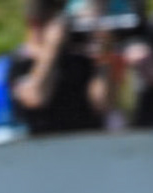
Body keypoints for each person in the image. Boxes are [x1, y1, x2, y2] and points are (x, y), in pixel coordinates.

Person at [10, 0, 117, 135]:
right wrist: (52, 48)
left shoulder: (78, 60)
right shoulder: (20, 62)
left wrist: (104, 58)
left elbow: (102, 104)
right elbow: (36, 97)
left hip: (86, 143)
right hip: (43, 147)